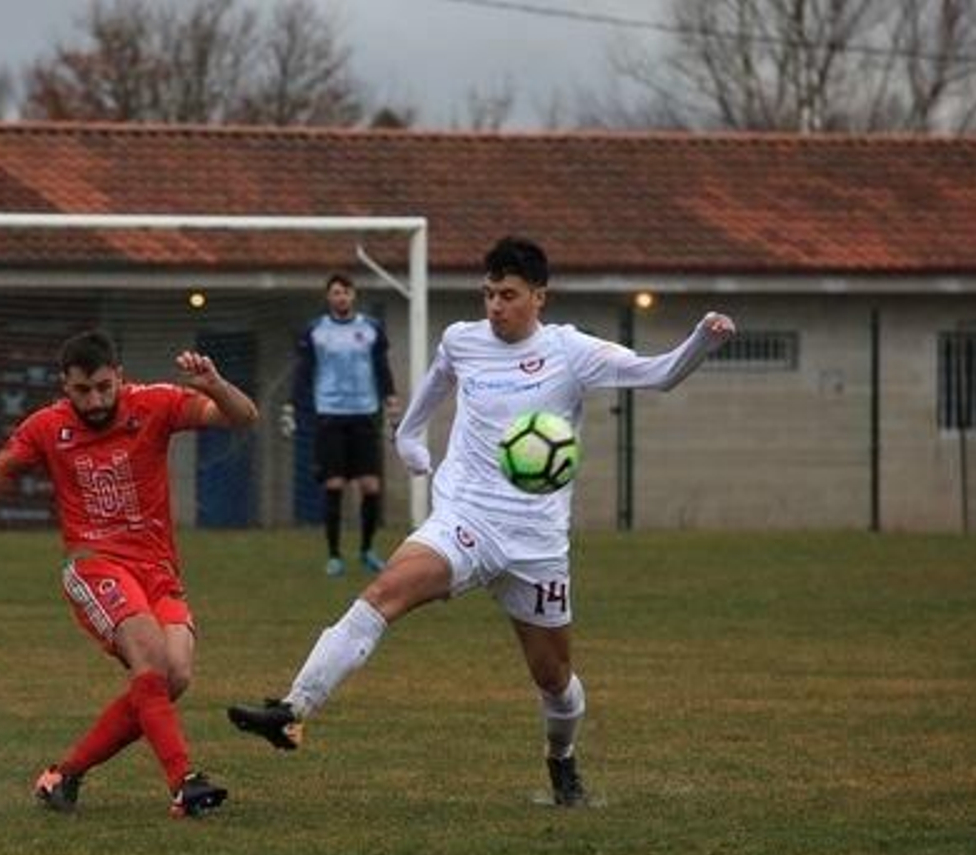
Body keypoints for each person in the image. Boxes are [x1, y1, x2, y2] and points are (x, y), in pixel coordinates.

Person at [231, 237, 736, 806]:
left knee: (554, 680)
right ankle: (293, 709)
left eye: (509, 295)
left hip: (536, 544)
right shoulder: (462, 341)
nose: (495, 306)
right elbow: (433, 388)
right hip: (465, 521)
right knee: (383, 593)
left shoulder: (571, 352)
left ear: (538, 297)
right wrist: (409, 437)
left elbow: (659, 374)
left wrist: (701, 341)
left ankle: (562, 761)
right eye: (489, 294)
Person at [0, 329, 259, 819]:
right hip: (94, 563)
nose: (94, 400)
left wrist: (215, 384)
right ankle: (184, 783)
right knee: (150, 659)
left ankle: (63, 776)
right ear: (63, 387)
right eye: (82, 390)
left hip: (157, 569)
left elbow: (244, 417)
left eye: (104, 387)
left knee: (173, 676)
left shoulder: (155, 403)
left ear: (120, 378)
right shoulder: (47, 427)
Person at [284, 273, 402, 577]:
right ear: (329, 297)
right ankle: (334, 555)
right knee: (334, 484)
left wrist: (391, 400)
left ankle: (366, 550)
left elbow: (381, 367)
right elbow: (303, 373)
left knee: (370, 486)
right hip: (330, 415)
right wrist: (291, 406)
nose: (341, 297)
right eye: (336, 293)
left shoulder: (371, 329)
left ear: (354, 296)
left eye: (346, 292)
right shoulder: (316, 331)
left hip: (364, 414)